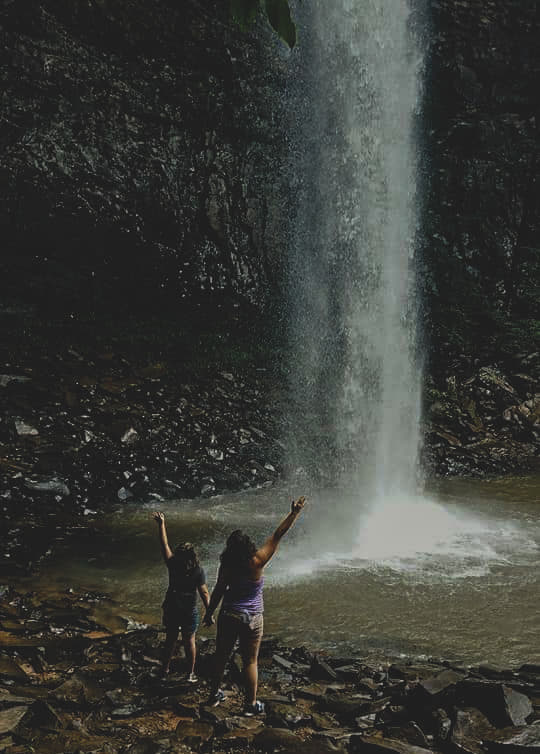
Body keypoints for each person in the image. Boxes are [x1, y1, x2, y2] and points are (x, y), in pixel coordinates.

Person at [203, 496, 306, 714]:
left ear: (230, 550)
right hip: (253, 617)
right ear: (249, 546)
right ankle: (250, 705)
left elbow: (219, 591)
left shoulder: (227, 566)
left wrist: (208, 613)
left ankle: (214, 695)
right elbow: (278, 534)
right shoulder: (258, 560)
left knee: (221, 656)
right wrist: (294, 513)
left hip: (229, 614)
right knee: (250, 661)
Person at [153, 511, 210, 680]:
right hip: (188, 610)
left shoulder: (173, 564)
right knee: (189, 641)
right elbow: (204, 593)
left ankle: (164, 671)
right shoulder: (197, 571)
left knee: (170, 640)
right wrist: (210, 612)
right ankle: (190, 673)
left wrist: (161, 524)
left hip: (171, 607)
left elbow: (164, 544)